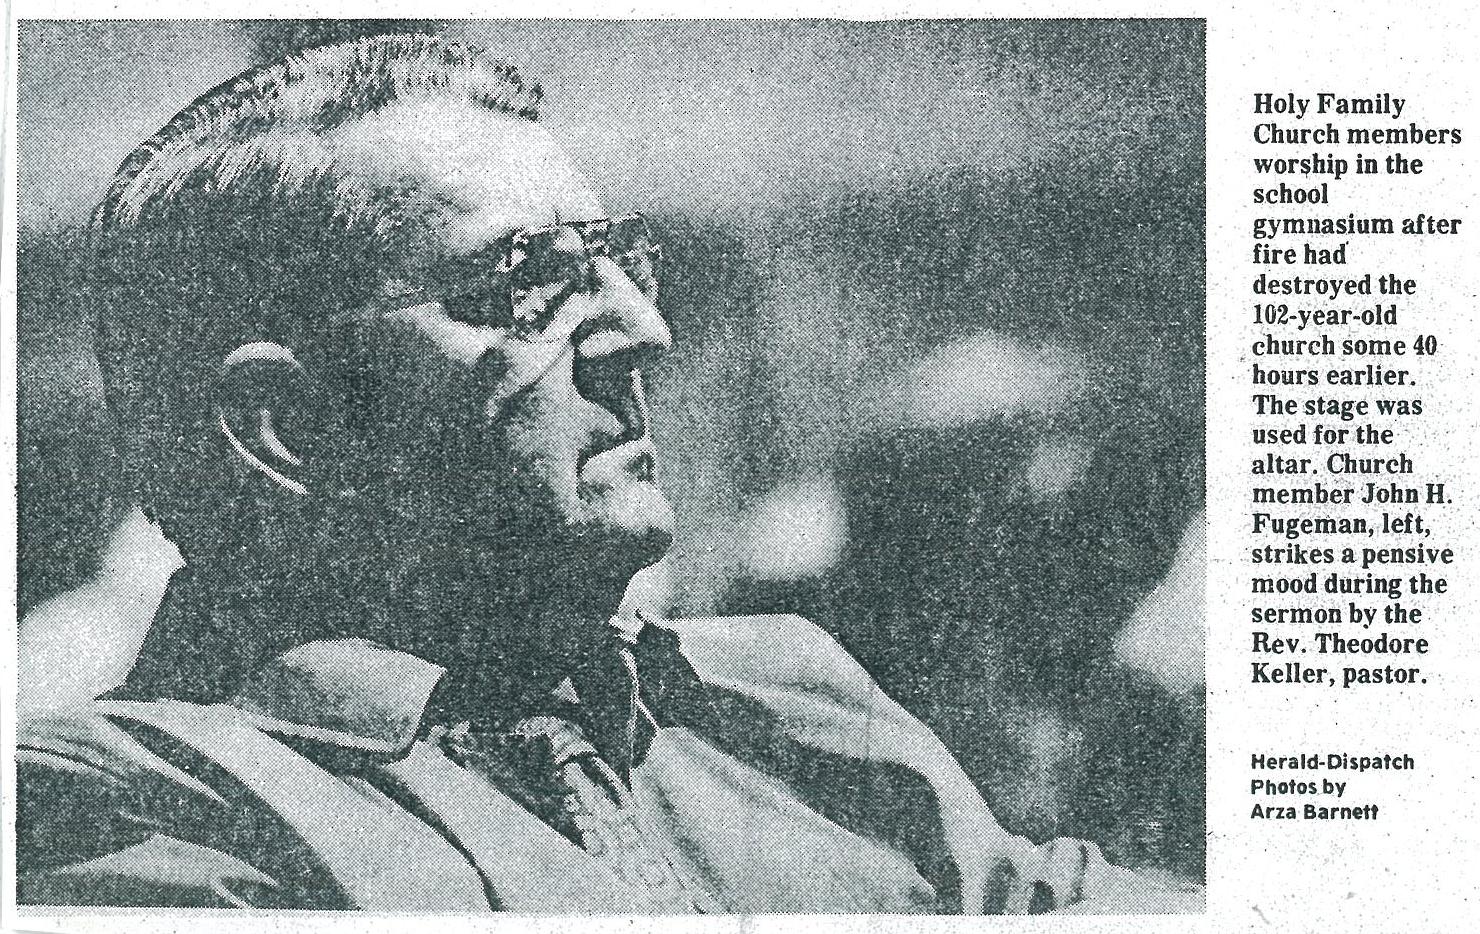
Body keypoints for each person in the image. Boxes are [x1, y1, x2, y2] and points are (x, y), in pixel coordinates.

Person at [16, 35, 1193, 913]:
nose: (642, 332)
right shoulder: (128, 811)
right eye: (525, 282)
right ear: (288, 426)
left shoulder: (784, 699)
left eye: (616, 263)